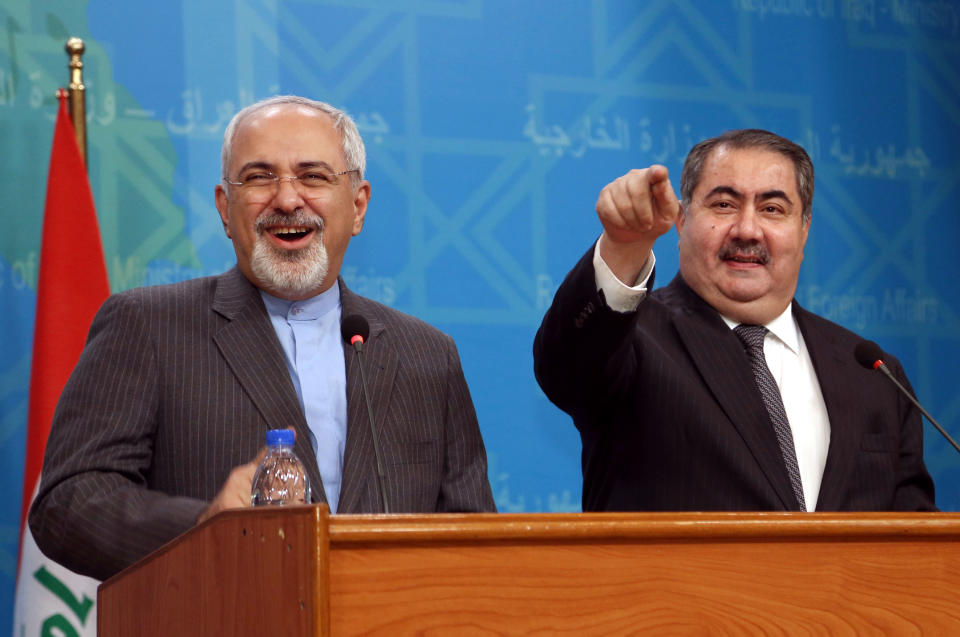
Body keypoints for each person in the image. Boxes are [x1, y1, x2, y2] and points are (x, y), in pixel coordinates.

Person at [29, 95, 496, 581]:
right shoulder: (147, 325)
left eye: (313, 176)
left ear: (357, 207)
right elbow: (67, 503)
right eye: (258, 177)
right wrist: (204, 526)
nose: (288, 199)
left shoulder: (427, 355)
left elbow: (476, 540)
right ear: (225, 209)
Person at [534, 128, 936, 513]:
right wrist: (624, 247)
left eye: (773, 209)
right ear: (681, 220)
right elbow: (567, 366)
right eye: (724, 205)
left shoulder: (872, 372)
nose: (747, 230)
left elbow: (913, 546)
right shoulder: (632, 338)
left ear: (804, 229)